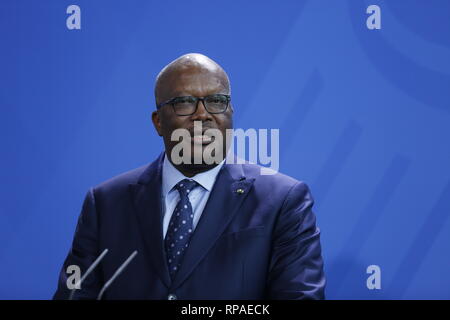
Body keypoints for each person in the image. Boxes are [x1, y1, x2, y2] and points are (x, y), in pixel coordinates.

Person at [53, 53, 326, 300]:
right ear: (158, 121)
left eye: (216, 101)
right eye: (184, 103)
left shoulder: (283, 200)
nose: (203, 115)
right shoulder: (106, 203)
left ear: (230, 113)